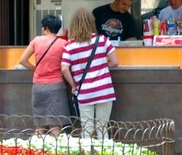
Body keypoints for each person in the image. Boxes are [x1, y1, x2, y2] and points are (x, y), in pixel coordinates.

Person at [61, 9, 119, 140]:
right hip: (104, 90)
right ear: (91, 22)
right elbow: (115, 62)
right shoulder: (102, 40)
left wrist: (73, 85)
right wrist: (102, 65)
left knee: (87, 129)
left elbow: (64, 68)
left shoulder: (69, 46)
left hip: (84, 92)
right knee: (102, 129)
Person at [17, 15, 67, 135]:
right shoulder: (64, 44)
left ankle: (35, 151)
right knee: (55, 126)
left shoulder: (36, 41)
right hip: (56, 86)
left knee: (40, 126)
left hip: (38, 86)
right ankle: (55, 152)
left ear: (46, 28)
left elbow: (23, 60)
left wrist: (37, 69)